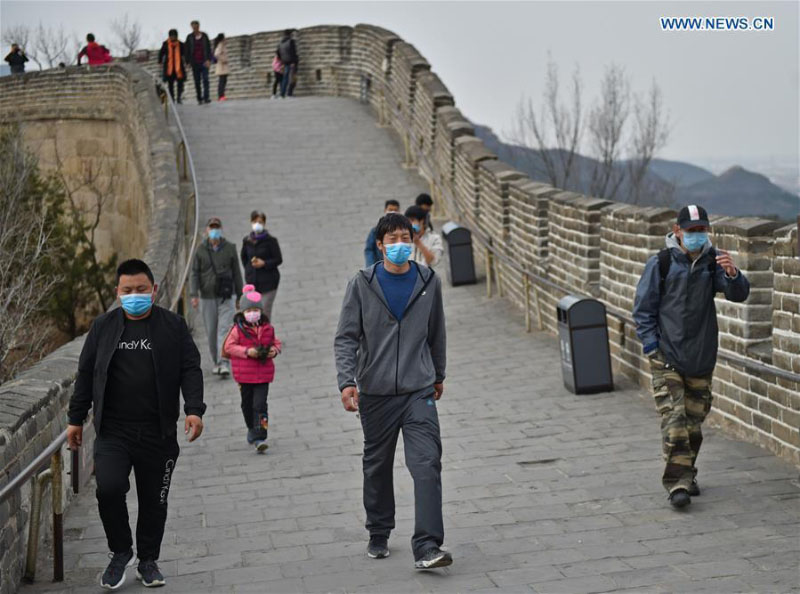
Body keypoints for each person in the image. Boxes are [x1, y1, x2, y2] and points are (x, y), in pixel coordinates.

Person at [66, 259, 205, 590]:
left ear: (153, 290)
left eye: (141, 290)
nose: (134, 296)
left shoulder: (172, 326)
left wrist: (194, 409)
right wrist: (75, 418)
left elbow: (191, 367)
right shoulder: (103, 327)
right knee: (109, 488)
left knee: (154, 500)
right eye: (127, 291)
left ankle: (147, 560)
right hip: (114, 431)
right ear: (117, 292)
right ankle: (120, 550)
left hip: (158, 432)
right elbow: (86, 373)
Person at [334, 212, 452, 570]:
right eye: (392, 239)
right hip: (377, 393)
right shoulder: (362, 284)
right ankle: (379, 529)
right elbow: (346, 337)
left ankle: (428, 545)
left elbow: (437, 332)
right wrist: (346, 381)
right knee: (377, 465)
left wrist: (438, 373)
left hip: (419, 390)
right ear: (380, 245)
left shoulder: (428, 280)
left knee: (427, 464)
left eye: (405, 237)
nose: (400, 244)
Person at [633, 204, 750, 509]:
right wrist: (652, 348)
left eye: (702, 231)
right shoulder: (660, 263)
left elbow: (739, 294)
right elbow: (643, 311)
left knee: (693, 424)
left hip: (701, 354)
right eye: (691, 231)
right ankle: (677, 485)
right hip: (667, 355)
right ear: (677, 231)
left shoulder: (713, 263)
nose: (697, 236)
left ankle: (687, 472)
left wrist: (733, 274)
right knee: (675, 418)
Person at [222, 285, 282, 452]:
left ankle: (260, 435)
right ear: (243, 312)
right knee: (247, 405)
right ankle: (251, 427)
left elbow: (276, 343)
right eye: (249, 310)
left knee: (260, 404)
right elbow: (229, 347)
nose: (253, 313)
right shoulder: (236, 330)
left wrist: (274, 351)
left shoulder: (268, 329)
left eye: (256, 310)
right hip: (244, 376)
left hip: (263, 374)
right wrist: (248, 352)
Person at [190, 217, 244, 377]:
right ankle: (216, 361)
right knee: (212, 330)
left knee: (224, 329)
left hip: (226, 295)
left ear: (221, 229)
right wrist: (194, 294)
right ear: (207, 230)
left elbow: (236, 273)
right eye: (211, 227)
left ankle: (224, 361)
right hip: (207, 296)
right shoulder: (200, 250)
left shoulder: (230, 248)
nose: (214, 230)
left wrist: (240, 295)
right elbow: (194, 274)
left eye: (216, 227)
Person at [240, 210, 282, 320]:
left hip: (269, 283)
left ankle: (266, 335)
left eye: (260, 222)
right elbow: (244, 257)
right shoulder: (247, 240)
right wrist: (249, 270)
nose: (257, 224)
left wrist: (264, 263)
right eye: (255, 221)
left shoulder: (271, 241)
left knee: (264, 313)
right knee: (253, 315)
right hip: (253, 283)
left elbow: (278, 259)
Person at [364, 199, 400, 266]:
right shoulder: (375, 230)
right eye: (390, 209)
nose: (392, 212)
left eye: (395, 210)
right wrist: (372, 267)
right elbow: (369, 250)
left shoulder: (403, 230)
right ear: (385, 210)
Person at [185, 20, 211, 104]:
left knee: (206, 79)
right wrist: (187, 62)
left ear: (198, 26)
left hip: (204, 61)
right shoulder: (189, 37)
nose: (195, 28)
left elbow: (208, 48)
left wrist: (208, 60)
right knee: (197, 81)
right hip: (194, 62)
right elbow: (187, 50)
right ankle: (199, 98)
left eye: (196, 26)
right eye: (193, 27)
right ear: (191, 27)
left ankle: (206, 97)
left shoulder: (204, 36)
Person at [158, 29, 186, 103]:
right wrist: (160, 62)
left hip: (179, 67)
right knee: (170, 84)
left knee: (180, 83)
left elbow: (185, 54)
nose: (173, 37)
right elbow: (161, 53)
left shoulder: (181, 44)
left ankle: (179, 97)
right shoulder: (165, 44)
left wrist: (187, 62)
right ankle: (172, 98)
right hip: (169, 68)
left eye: (174, 36)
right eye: (172, 36)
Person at [276, 29, 298, 98]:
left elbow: (277, 53)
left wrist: (282, 60)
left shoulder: (280, 43)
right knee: (293, 78)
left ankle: (282, 94)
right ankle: (289, 93)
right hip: (292, 62)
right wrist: (293, 62)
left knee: (285, 78)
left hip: (285, 62)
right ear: (290, 34)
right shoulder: (291, 41)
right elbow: (293, 52)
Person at [213, 33, 229, 101]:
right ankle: (220, 96)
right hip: (221, 65)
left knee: (224, 81)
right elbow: (216, 54)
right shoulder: (220, 45)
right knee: (222, 81)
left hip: (223, 66)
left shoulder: (222, 45)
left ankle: (222, 95)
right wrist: (223, 60)